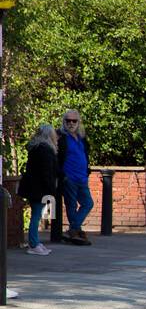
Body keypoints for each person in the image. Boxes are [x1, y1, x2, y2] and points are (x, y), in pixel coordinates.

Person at [18, 124, 59, 256]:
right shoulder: (46, 150)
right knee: (36, 215)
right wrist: (51, 189)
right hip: (39, 189)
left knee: (37, 215)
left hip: (33, 187)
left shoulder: (35, 148)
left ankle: (35, 242)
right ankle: (33, 244)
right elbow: (47, 172)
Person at [57, 109, 93, 245]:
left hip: (82, 177)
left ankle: (73, 230)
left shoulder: (82, 138)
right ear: (64, 122)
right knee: (71, 205)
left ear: (78, 122)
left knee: (88, 203)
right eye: (68, 120)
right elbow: (57, 157)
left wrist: (87, 169)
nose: (71, 123)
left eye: (74, 121)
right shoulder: (60, 137)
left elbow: (85, 155)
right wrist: (62, 175)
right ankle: (75, 231)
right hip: (69, 177)